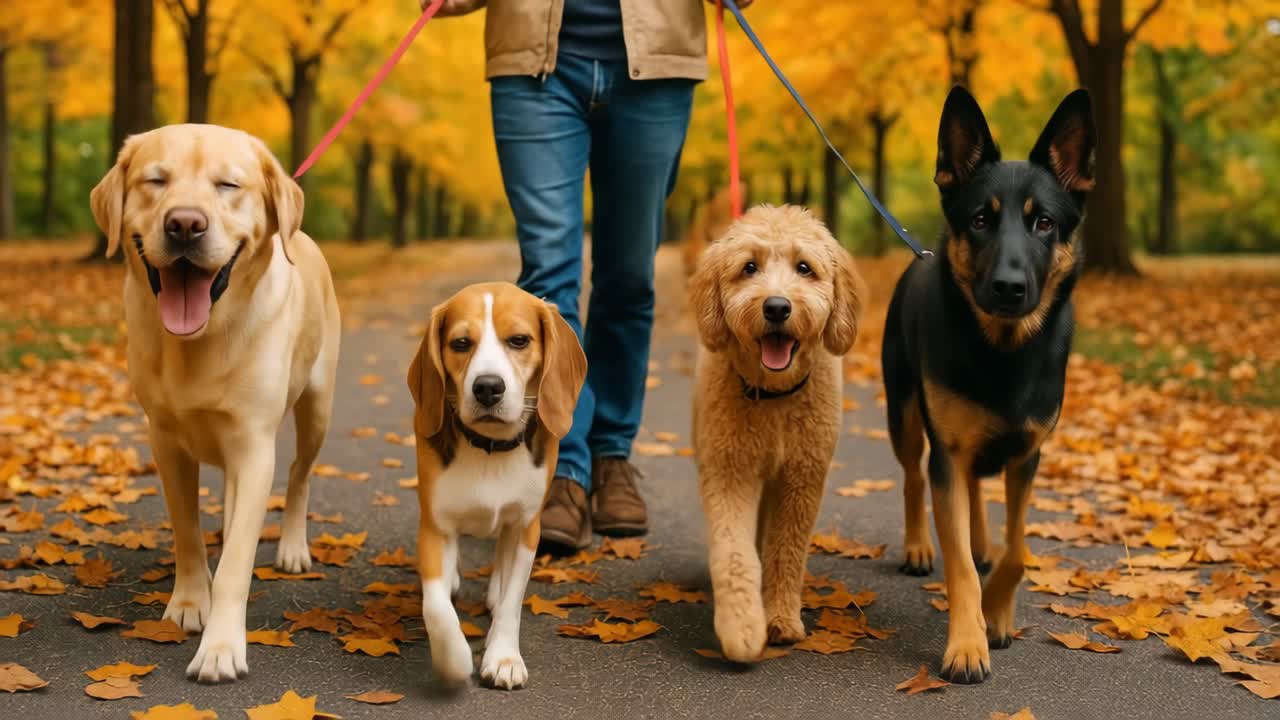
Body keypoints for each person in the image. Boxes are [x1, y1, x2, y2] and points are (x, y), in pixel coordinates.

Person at [427, 0, 753, 553]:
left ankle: (612, 457)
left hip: (656, 63)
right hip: (533, 63)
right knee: (548, 278)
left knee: (629, 276)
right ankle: (565, 467)